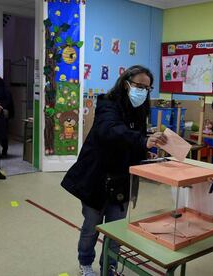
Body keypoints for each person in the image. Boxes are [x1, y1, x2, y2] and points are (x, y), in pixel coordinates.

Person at [61, 65, 167, 276]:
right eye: (139, 86)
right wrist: (142, 141)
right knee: (92, 225)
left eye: (148, 88)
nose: (143, 91)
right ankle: (85, 263)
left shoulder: (140, 109)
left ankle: (109, 266)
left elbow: (133, 138)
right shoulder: (107, 103)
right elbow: (111, 131)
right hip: (97, 175)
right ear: (125, 83)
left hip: (122, 178)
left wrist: (145, 151)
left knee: (117, 228)